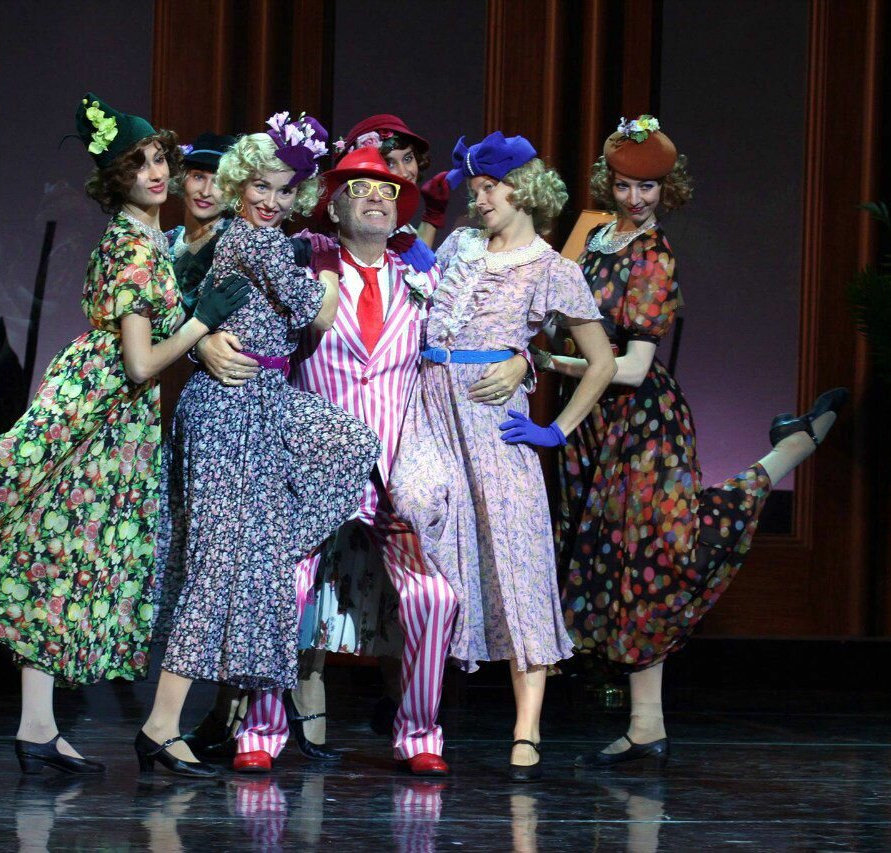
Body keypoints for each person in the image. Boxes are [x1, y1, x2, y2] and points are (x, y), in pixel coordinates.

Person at [0, 93, 248, 774]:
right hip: (97, 405)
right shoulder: (132, 248)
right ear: (116, 181)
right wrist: (202, 322)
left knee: (62, 551)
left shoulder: (152, 239)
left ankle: (37, 728)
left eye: (158, 160)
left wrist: (196, 322)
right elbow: (142, 364)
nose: (154, 173)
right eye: (138, 164)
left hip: (118, 419)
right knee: (2, 480)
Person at [535, 115, 848, 768]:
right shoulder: (594, 237)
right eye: (626, 185)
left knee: (661, 554)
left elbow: (632, 368)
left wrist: (555, 364)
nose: (636, 198)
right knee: (620, 566)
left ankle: (788, 452)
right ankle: (646, 725)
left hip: (643, 425)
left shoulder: (654, 256)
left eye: (648, 187)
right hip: (592, 425)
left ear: (667, 188)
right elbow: (557, 312)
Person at [207, 147, 520, 776]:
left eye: (387, 190)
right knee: (283, 586)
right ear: (333, 205)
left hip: (392, 474)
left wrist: (519, 358)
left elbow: (484, 331)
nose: (376, 197)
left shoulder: (425, 276)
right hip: (311, 465)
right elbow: (233, 312)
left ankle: (420, 733)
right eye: (359, 189)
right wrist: (207, 341)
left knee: (434, 597)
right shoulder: (303, 262)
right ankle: (262, 729)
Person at [136, 112, 380, 779]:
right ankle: (160, 724)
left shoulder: (263, 237)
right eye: (261, 186)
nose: (270, 199)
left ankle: (266, 548)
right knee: (215, 568)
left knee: (349, 444)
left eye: (284, 190)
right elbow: (314, 311)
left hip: (264, 400)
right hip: (227, 409)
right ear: (242, 184)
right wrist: (327, 281)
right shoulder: (255, 241)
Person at [389, 131, 617, 782]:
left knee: (518, 563)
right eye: (478, 189)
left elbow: (601, 362)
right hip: (430, 412)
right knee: (422, 534)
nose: (482, 199)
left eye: (492, 189)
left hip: (495, 427)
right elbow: (414, 290)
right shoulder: (460, 245)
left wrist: (557, 429)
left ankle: (526, 727)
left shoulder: (551, 268)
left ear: (526, 191)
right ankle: (417, 711)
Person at [336, 114, 451, 266]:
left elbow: (417, 266)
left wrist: (432, 216)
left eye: (408, 159)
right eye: (390, 163)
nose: (404, 173)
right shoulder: (364, 218)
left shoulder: (399, 224)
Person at [166, 131, 236, 303]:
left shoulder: (232, 246)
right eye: (198, 177)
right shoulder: (164, 241)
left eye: (219, 182)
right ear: (182, 178)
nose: (205, 192)